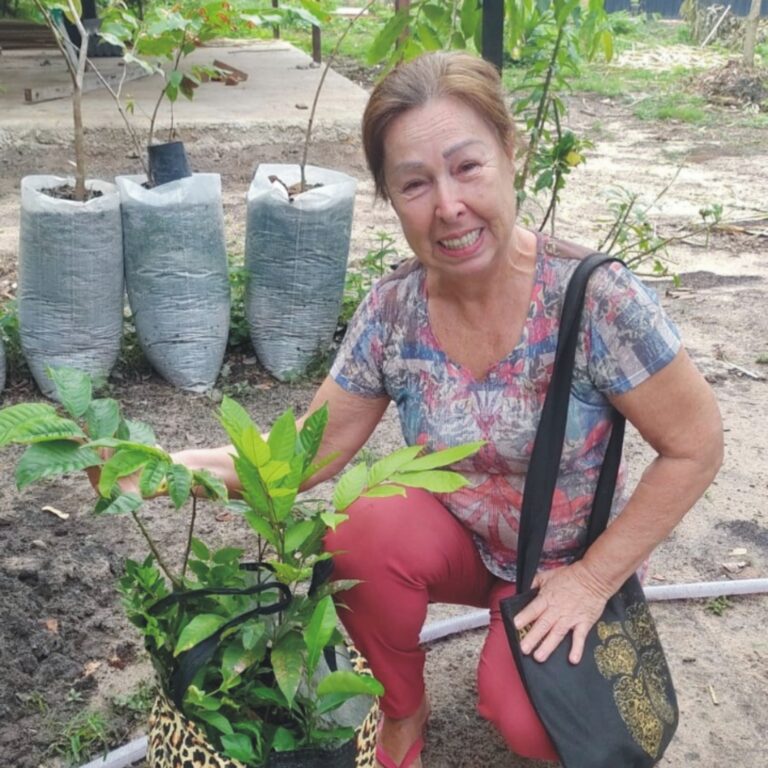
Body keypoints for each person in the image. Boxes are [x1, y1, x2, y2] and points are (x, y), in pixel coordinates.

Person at [173, 52, 723, 768]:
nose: (448, 206)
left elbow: (698, 443)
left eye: (467, 168)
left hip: (563, 563)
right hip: (456, 541)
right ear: (391, 198)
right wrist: (166, 467)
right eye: (414, 183)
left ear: (509, 155)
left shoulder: (593, 300)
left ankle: (524, 656)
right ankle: (401, 709)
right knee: (357, 532)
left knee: (532, 721)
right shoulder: (393, 310)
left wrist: (594, 578)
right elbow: (306, 456)